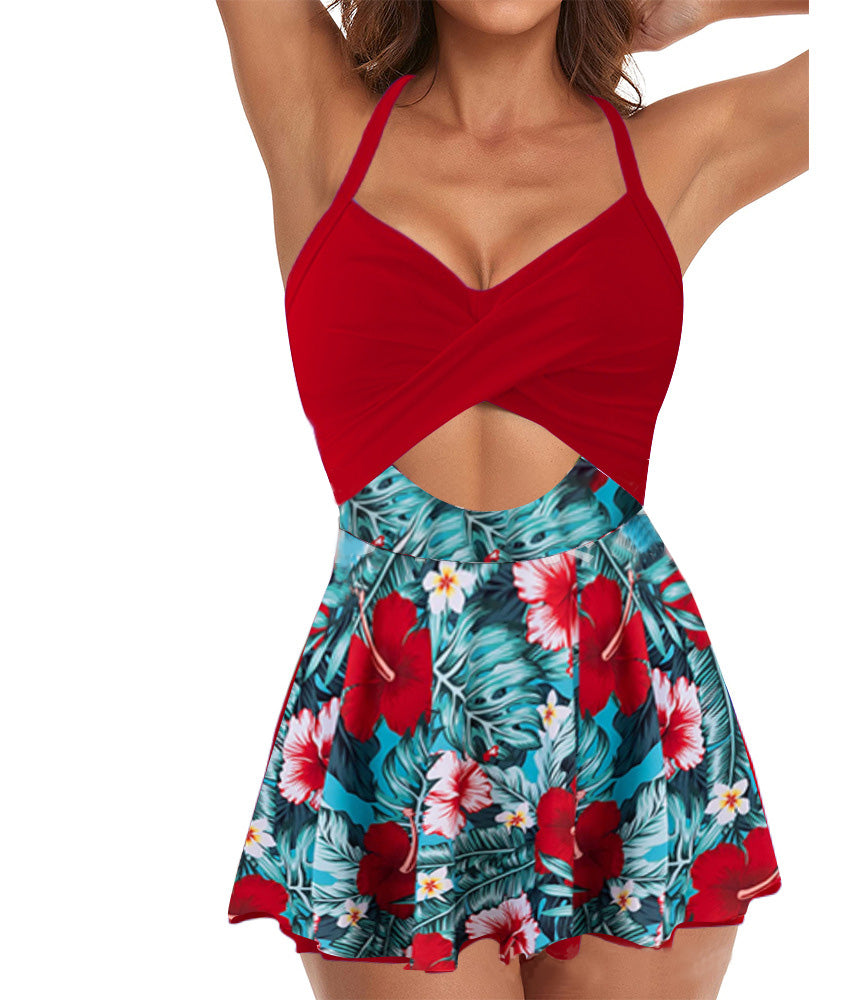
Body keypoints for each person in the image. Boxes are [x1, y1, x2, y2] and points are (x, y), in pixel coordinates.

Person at [216, 2, 808, 998]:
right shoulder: (318, 123)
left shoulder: (675, 154)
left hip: (625, 716)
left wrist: (704, 3)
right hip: (395, 726)